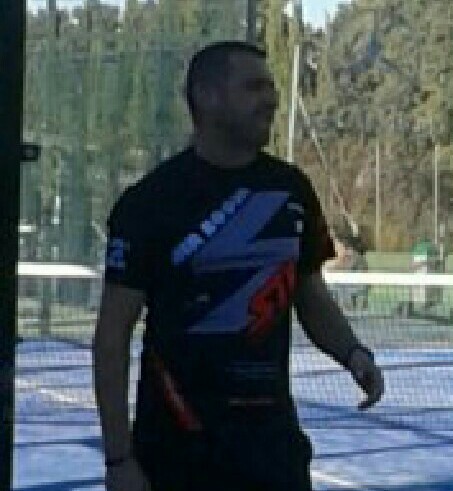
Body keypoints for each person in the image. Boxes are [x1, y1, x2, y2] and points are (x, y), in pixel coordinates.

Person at [93, 40, 384, 491]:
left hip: (272, 453)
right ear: (207, 97)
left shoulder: (290, 189)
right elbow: (112, 338)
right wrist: (119, 459)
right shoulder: (150, 203)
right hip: (177, 455)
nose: (271, 99)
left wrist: (352, 353)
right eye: (253, 87)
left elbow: (310, 293)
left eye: (271, 87)